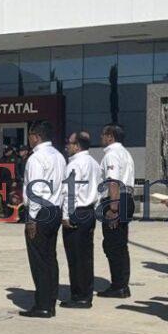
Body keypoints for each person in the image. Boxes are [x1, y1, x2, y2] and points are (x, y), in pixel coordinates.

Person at [19, 121, 67, 319]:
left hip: (40, 213)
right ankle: (50, 299)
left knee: (39, 260)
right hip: (55, 210)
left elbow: (36, 190)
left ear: (36, 136)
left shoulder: (36, 158)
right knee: (50, 258)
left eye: (30, 135)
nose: (28, 139)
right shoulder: (59, 156)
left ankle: (43, 305)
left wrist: (31, 219)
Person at [59, 131, 101, 309]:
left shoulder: (75, 165)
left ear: (77, 146)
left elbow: (70, 192)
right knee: (86, 256)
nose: (67, 146)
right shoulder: (94, 163)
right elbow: (100, 188)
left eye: (69, 143)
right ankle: (85, 292)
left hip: (77, 211)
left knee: (76, 257)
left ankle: (80, 296)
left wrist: (66, 215)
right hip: (89, 211)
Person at [97, 123, 137, 299]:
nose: (101, 138)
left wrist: (113, 208)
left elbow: (112, 182)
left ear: (110, 136)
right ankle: (122, 284)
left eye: (103, 135)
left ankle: (118, 285)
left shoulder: (111, 154)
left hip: (116, 200)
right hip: (126, 198)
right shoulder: (125, 153)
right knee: (120, 245)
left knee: (113, 245)